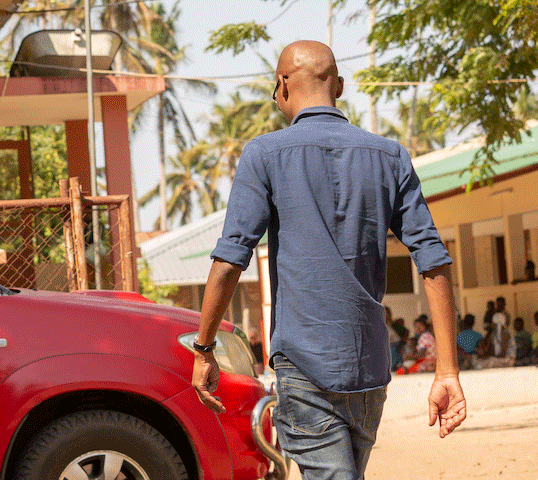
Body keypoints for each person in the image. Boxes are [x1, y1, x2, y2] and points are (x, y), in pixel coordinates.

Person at [187, 40, 466, 480]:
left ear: (281, 87)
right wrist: (447, 370)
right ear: (338, 85)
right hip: (370, 371)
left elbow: (229, 261)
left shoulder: (265, 154)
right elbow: (433, 261)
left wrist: (203, 351)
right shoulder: (390, 156)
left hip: (305, 369)